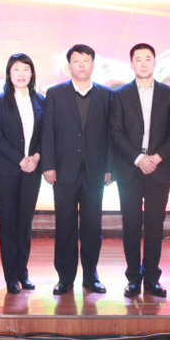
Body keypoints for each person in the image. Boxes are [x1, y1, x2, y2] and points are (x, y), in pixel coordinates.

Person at [110, 43, 170, 298]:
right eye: (138, 59)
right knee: (130, 225)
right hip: (129, 169)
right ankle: (133, 278)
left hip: (159, 170)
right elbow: (115, 132)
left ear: (154, 62)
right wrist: (139, 158)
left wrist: (158, 157)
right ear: (131, 63)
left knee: (154, 226)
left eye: (148, 58)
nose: (143, 63)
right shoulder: (119, 95)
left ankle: (152, 278)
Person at [40, 44, 112, 295]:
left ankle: (91, 276)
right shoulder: (55, 94)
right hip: (63, 171)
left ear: (93, 64)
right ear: (68, 65)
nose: (81, 65)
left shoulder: (106, 95)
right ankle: (65, 278)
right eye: (76, 61)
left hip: (95, 171)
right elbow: (47, 131)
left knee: (93, 227)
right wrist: (48, 165)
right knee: (65, 226)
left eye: (86, 60)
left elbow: (111, 134)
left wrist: (109, 167)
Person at [0, 54, 45, 294]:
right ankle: (11, 277)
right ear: (9, 73)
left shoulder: (40, 100)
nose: (21, 74)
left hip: (32, 170)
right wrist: (19, 159)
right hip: (6, 172)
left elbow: (46, 134)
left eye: (25, 69)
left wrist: (37, 157)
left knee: (24, 224)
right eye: (16, 69)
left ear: (32, 73)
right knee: (8, 223)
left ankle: (23, 273)